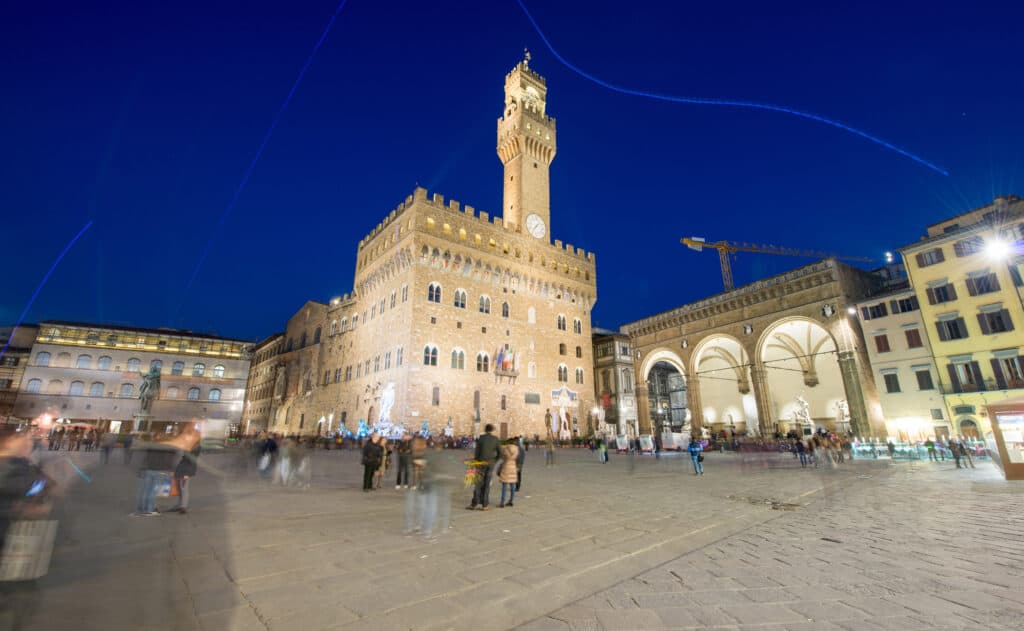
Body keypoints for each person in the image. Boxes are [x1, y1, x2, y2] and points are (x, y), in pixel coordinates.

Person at [133, 435, 181, 516]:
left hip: (148, 469)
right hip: (159, 470)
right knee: (153, 491)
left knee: (145, 490)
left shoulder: (151, 446)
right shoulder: (169, 448)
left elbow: (145, 458)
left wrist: (141, 468)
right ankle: (150, 509)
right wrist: (171, 470)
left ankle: (141, 508)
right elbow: (171, 460)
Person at [467, 424, 500, 510]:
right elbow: (500, 453)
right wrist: (494, 461)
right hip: (490, 464)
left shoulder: (481, 438)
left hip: (480, 464)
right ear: (492, 430)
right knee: (487, 484)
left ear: (485, 429)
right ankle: (485, 505)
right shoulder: (495, 439)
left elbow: (477, 453)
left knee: (478, 483)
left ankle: (474, 503)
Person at [170, 428, 200, 514]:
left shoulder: (195, 445)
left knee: (184, 488)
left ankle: (183, 506)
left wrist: (187, 472)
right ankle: (180, 505)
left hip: (186, 469)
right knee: (180, 487)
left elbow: (190, 459)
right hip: (181, 468)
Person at [498, 439, 519, 508]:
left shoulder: (506, 449)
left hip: (506, 467)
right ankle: (511, 501)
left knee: (504, 486)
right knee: (512, 486)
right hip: (513, 467)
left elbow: (503, 457)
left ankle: (502, 502)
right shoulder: (516, 449)